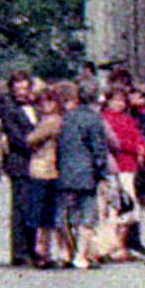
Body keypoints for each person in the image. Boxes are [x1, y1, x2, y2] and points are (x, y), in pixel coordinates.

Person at [52, 80, 113, 268]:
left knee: (65, 214)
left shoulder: (65, 118)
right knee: (88, 215)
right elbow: (99, 150)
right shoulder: (94, 119)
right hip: (87, 173)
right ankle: (81, 254)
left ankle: (66, 252)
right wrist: (102, 174)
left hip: (64, 171)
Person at [0, 69, 39, 269]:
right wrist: (37, 146)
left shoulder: (36, 108)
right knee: (21, 208)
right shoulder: (10, 110)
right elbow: (16, 137)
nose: (21, 92)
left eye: (24, 88)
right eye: (17, 89)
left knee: (35, 206)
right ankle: (20, 252)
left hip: (38, 164)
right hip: (21, 163)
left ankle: (34, 248)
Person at [101, 82, 145, 258]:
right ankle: (114, 246)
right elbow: (116, 142)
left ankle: (123, 244)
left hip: (132, 166)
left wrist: (143, 148)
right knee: (119, 207)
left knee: (131, 208)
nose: (120, 104)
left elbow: (139, 137)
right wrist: (135, 148)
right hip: (118, 166)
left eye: (122, 101)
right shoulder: (106, 118)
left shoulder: (128, 118)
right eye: (116, 100)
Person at [22, 86, 66, 267]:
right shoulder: (50, 120)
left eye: (49, 102)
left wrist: (33, 139)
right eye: (41, 103)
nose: (45, 106)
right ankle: (49, 252)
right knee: (47, 215)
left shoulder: (52, 121)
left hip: (45, 169)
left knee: (46, 215)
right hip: (46, 169)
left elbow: (31, 139)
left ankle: (46, 251)